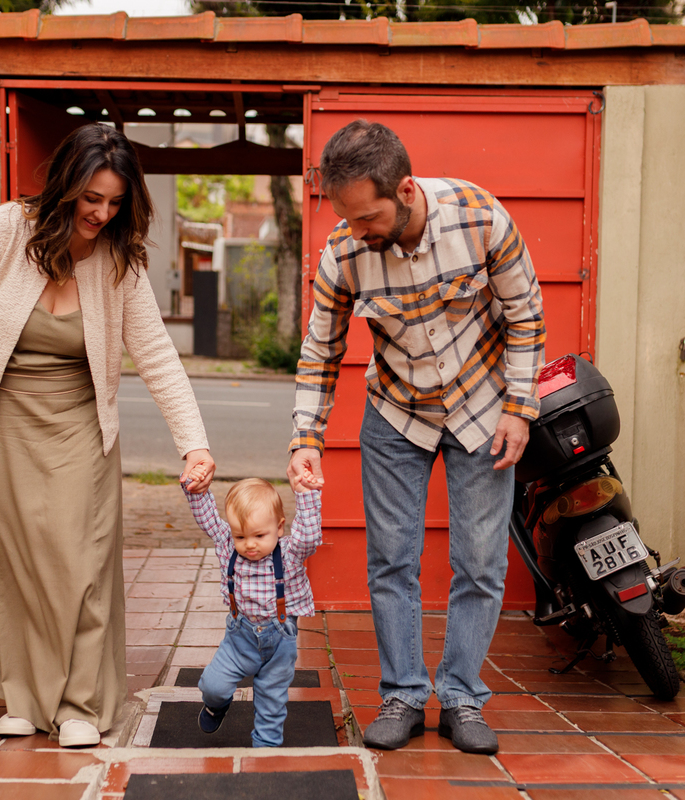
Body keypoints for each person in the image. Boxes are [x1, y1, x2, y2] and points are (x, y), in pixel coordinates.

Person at [0, 124, 215, 748]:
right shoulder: (5, 231)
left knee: (81, 565)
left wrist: (193, 442)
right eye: (91, 199)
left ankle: (81, 702)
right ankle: (24, 698)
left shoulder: (119, 260)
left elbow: (157, 354)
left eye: (114, 203)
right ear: (65, 186)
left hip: (81, 425)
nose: (101, 213)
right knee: (15, 569)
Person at [287, 120, 545, 754]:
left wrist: (520, 407)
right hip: (396, 415)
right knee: (391, 560)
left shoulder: (480, 218)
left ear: (404, 188)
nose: (357, 231)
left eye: (368, 217)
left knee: (480, 562)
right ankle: (403, 694)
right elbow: (321, 350)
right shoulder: (343, 253)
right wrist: (305, 439)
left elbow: (526, 312)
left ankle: (461, 697)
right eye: (345, 218)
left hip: (484, 410)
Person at [181, 469, 323, 748]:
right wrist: (196, 490)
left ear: (280, 528)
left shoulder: (291, 553)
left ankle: (266, 748)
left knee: (272, 699)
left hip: (280, 641)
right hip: (240, 639)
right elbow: (208, 519)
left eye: (259, 535)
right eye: (241, 536)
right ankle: (215, 705)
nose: (250, 545)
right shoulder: (227, 546)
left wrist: (306, 494)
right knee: (213, 686)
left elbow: (309, 536)